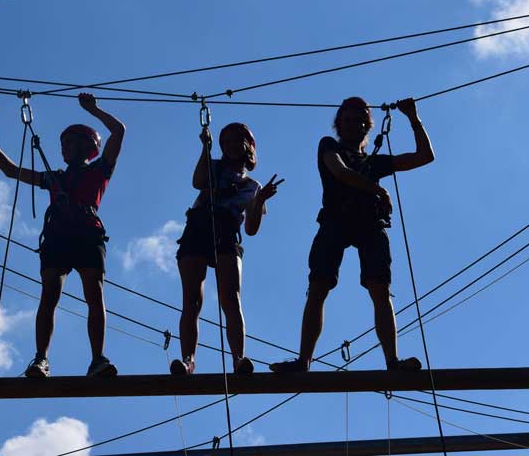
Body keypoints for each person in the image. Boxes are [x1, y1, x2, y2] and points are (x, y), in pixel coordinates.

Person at [270, 96, 434, 373]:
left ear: (366, 126)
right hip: (335, 220)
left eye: (359, 120)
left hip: (369, 223)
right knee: (318, 287)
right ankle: (303, 361)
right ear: (338, 124)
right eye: (347, 119)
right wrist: (378, 190)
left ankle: (392, 361)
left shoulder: (375, 162)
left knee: (380, 290)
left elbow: (424, 156)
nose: (353, 124)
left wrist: (413, 118)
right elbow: (340, 171)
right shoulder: (329, 146)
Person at [0, 92, 125, 378]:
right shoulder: (54, 178)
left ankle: (98, 359)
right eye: (64, 145)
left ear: (87, 147)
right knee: (49, 294)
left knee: (94, 294)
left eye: (70, 144)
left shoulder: (99, 170)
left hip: (86, 234)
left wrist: (94, 110)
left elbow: (119, 131)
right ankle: (41, 358)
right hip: (60, 235)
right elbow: (12, 171)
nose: (65, 149)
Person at [171, 123, 281, 376]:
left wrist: (260, 201)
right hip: (199, 226)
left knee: (231, 299)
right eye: (227, 141)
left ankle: (238, 359)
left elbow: (251, 228)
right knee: (192, 300)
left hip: (227, 230)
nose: (231, 145)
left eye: (237, 140)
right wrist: (205, 148)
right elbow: (197, 182)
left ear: (248, 147)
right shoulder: (213, 168)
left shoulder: (252, 186)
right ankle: (188, 360)